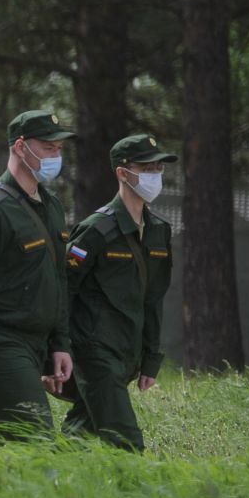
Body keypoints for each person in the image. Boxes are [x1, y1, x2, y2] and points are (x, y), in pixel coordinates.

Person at [0, 109, 76, 438]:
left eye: (60, 149)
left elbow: (58, 280)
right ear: (20, 147)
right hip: (1, 344)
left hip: (37, 344)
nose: (56, 155)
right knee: (37, 439)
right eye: (48, 147)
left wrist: (59, 345)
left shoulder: (51, 206)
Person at [62, 133, 177, 451]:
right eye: (146, 167)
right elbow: (63, 288)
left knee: (80, 431)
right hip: (94, 350)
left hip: (129, 353)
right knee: (126, 442)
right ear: (122, 173)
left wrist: (150, 360)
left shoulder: (158, 231)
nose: (154, 175)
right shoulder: (97, 229)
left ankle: (46, 480)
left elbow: (154, 298)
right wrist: (54, 349)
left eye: (158, 168)